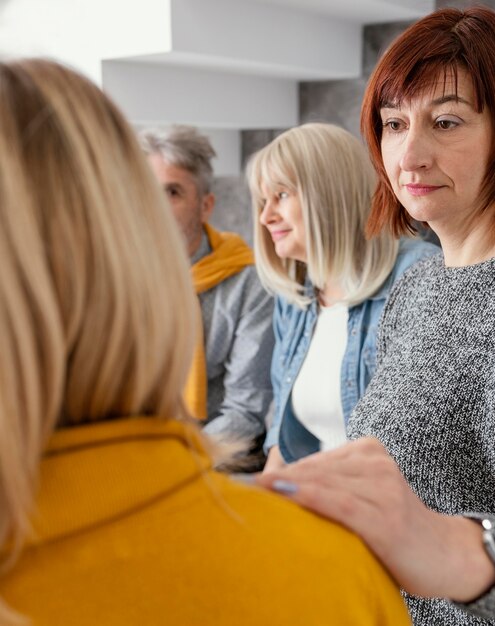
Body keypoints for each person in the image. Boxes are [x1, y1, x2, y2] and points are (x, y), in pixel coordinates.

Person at [0, 58, 412, 626]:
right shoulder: (294, 292)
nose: (265, 216)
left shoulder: (409, 285)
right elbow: (280, 429)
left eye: (170, 191)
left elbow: (254, 412)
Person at [258, 6, 495, 626]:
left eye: (446, 122)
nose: (409, 155)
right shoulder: (422, 282)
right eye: (394, 123)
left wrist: (454, 549)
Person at [246, 123, 438, 468]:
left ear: (329, 193)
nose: (265, 216)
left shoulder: (418, 276)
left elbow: (422, 443)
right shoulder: (295, 296)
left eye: (282, 195)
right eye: (263, 200)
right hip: (323, 494)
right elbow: (281, 439)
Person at [139, 125, 274, 455]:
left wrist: (173, 463)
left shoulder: (249, 282)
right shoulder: (118, 277)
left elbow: (244, 412)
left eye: (172, 193)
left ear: (206, 206)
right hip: (135, 447)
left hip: (219, 454)